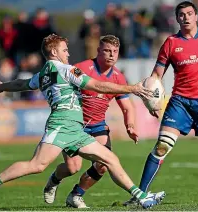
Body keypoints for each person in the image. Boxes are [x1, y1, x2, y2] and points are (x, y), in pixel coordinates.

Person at [0, 34, 164, 212]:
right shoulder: (66, 70)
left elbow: (22, 84)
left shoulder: (44, 73)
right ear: (54, 52)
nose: (68, 53)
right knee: (37, 165)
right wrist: (133, 88)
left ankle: (142, 198)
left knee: (109, 159)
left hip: (75, 128)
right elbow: (97, 85)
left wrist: (3, 86)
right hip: (61, 124)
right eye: (65, 50)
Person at [123, 1, 198, 206]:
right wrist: (152, 101)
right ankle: (139, 194)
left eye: (189, 13)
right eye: (181, 14)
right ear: (177, 18)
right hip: (180, 103)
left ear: (196, 16)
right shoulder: (171, 43)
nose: (186, 17)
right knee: (161, 146)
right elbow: (156, 75)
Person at [42, 35, 164, 208]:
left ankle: (76, 195)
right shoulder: (81, 68)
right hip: (74, 125)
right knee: (72, 167)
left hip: (98, 126)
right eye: (107, 50)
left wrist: (130, 125)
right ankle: (53, 180)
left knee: (103, 165)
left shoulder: (118, 77)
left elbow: (127, 106)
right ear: (98, 51)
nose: (111, 55)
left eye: (115, 51)